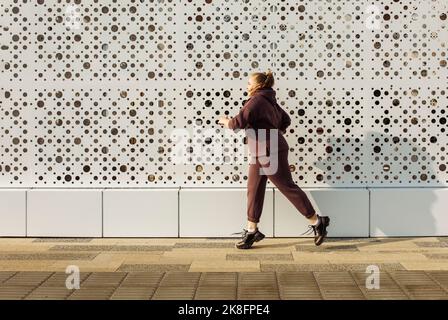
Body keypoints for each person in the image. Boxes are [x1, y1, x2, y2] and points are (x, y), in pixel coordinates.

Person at [218, 69, 330, 249]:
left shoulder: (256, 101)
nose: (247, 86)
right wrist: (272, 133)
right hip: (260, 150)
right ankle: (252, 231)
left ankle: (318, 222)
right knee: (253, 190)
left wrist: (225, 121)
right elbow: (286, 120)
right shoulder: (269, 101)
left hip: (270, 150)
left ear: (258, 85)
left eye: (249, 83)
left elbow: (236, 123)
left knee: (286, 186)